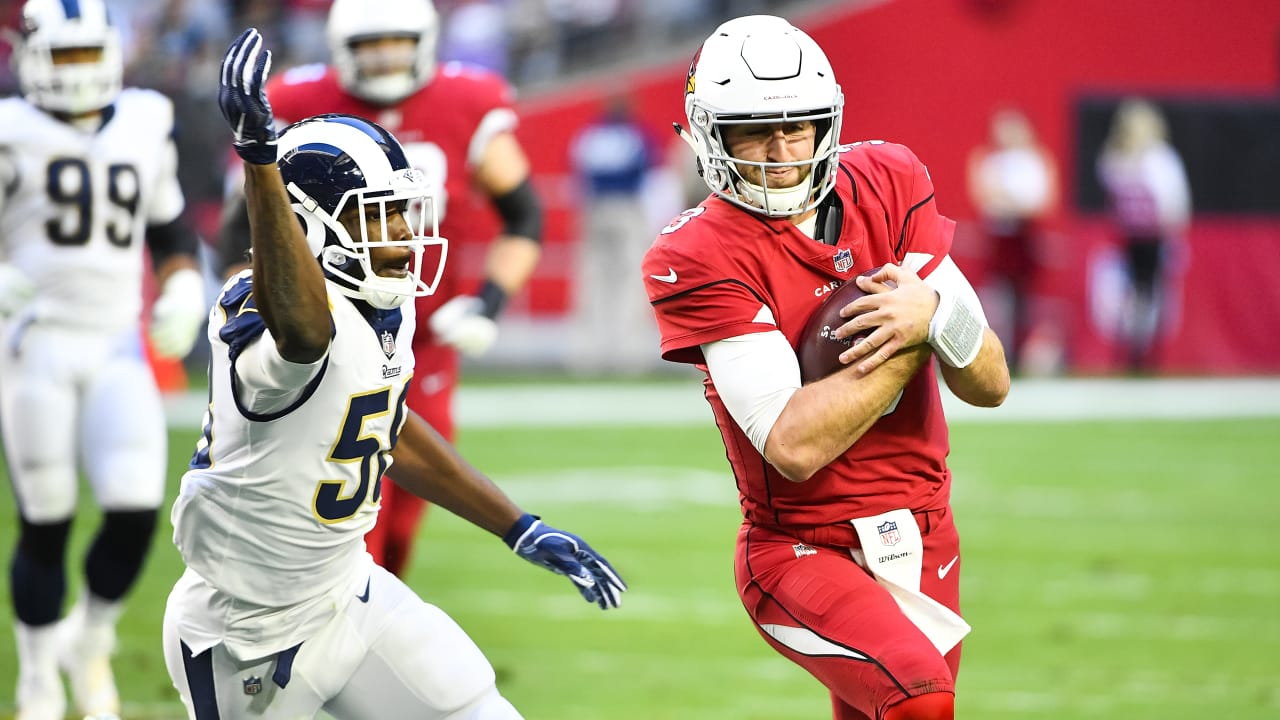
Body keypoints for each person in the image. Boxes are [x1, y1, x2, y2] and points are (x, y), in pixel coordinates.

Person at [162, 29, 625, 719]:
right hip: (246, 632)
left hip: (347, 593)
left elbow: (387, 425)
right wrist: (260, 162)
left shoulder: (383, 307)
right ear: (310, 229)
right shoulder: (266, 312)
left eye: (403, 214)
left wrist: (516, 525)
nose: (405, 236)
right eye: (378, 218)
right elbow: (305, 336)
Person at [642, 16, 1009, 720]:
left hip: (927, 526)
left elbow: (990, 381)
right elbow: (794, 444)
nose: (780, 150)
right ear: (708, 135)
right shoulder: (700, 252)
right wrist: (908, 342)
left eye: (798, 125)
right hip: (803, 549)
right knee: (918, 700)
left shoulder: (889, 181)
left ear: (829, 123)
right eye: (753, 130)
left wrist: (937, 313)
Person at [216, 0, 544, 579]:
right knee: (350, 519)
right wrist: (248, 312)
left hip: (420, 332)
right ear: (341, 46)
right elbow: (240, 226)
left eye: (397, 41)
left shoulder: (467, 101)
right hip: (323, 328)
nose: (385, 56)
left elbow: (524, 215)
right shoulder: (295, 102)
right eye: (369, 44)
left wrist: (487, 302)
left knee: (399, 532)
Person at [0, 1, 207, 718]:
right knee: (46, 519)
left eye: (93, 55)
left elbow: (171, 228)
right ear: (29, 56)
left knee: (135, 509)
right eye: (67, 58)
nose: (84, 74)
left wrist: (183, 284)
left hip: (118, 341)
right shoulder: (9, 130)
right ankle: (35, 674)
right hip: (35, 345)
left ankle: (89, 640)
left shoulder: (146, 120)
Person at [568, 94, 662, 374]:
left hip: (595, 208)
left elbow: (579, 177)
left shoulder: (590, 137)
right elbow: (652, 177)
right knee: (631, 282)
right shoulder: (637, 136)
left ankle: (586, 354)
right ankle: (628, 356)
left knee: (592, 280)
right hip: (627, 209)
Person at [1096, 98, 1191, 372]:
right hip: (1128, 238)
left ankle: (1150, 356)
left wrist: (1173, 238)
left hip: (1154, 238)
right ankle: (1130, 353)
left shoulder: (1161, 159)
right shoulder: (1117, 157)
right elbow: (1111, 187)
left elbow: (1174, 202)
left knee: (1153, 294)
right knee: (1126, 295)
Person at [965, 106, 1058, 373]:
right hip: (999, 239)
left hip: (1023, 237)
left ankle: (1020, 353)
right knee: (997, 299)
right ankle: (998, 353)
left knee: (1024, 300)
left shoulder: (1035, 161)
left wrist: (1010, 200)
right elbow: (985, 197)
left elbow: (1040, 201)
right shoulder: (989, 161)